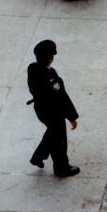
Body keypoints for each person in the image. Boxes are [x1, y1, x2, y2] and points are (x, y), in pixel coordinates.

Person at [27, 39, 80, 178]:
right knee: (59, 142)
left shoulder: (32, 69)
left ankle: (38, 157)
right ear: (50, 59)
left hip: (41, 110)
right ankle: (62, 168)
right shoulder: (52, 79)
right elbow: (62, 98)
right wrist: (72, 117)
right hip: (54, 112)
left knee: (52, 134)